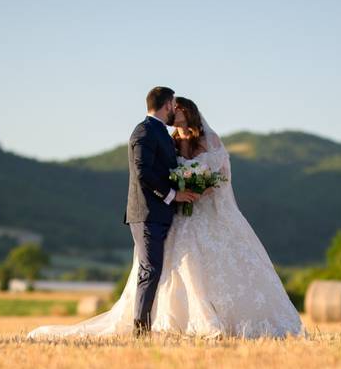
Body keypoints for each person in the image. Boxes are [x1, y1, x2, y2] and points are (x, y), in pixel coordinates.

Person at [28, 91, 303, 340]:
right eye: (173, 106)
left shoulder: (208, 140)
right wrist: (177, 193)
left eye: (179, 108)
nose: (175, 112)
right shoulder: (164, 139)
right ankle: (155, 323)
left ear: (189, 112)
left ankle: (217, 319)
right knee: (166, 268)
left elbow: (222, 177)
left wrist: (203, 188)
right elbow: (151, 173)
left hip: (202, 212)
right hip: (175, 214)